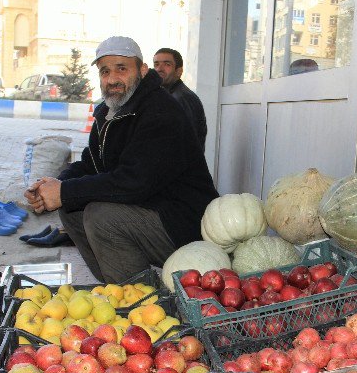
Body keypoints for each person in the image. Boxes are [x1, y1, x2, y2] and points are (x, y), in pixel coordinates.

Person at [24, 36, 219, 283]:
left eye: (121, 68)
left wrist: (64, 191)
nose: (112, 79)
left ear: (142, 70)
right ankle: (115, 287)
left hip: (185, 223)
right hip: (150, 211)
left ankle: (141, 301)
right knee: (72, 208)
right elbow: (89, 164)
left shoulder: (161, 112)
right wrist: (53, 186)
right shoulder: (109, 112)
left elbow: (135, 182)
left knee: (101, 217)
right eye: (105, 71)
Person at [153, 48, 207, 151]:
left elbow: (185, 143)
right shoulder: (168, 95)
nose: (159, 69)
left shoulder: (182, 98)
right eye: (156, 64)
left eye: (167, 64)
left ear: (179, 71)